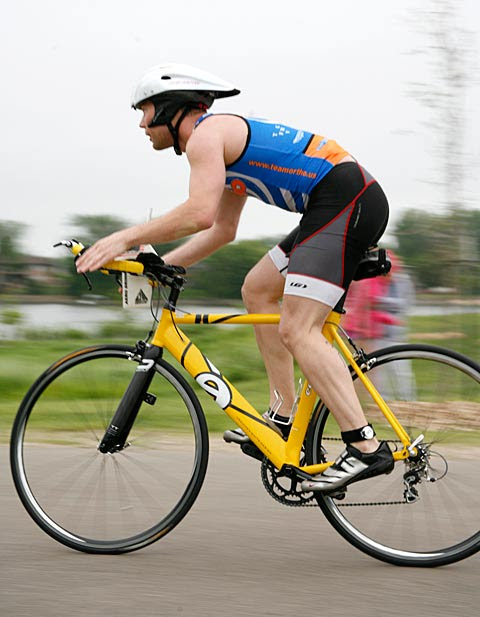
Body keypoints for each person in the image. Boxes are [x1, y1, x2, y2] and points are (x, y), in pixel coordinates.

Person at [76, 63, 394, 492]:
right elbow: (222, 230)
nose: (141, 123)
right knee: (257, 289)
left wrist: (124, 237)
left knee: (298, 329)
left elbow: (198, 213)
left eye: (145, 111)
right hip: (335, 203)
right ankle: (282, 416)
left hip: (346, 200)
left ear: (169, 108)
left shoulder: (206, 136)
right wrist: (164, 266)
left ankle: (364, 446)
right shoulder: (219, 143)